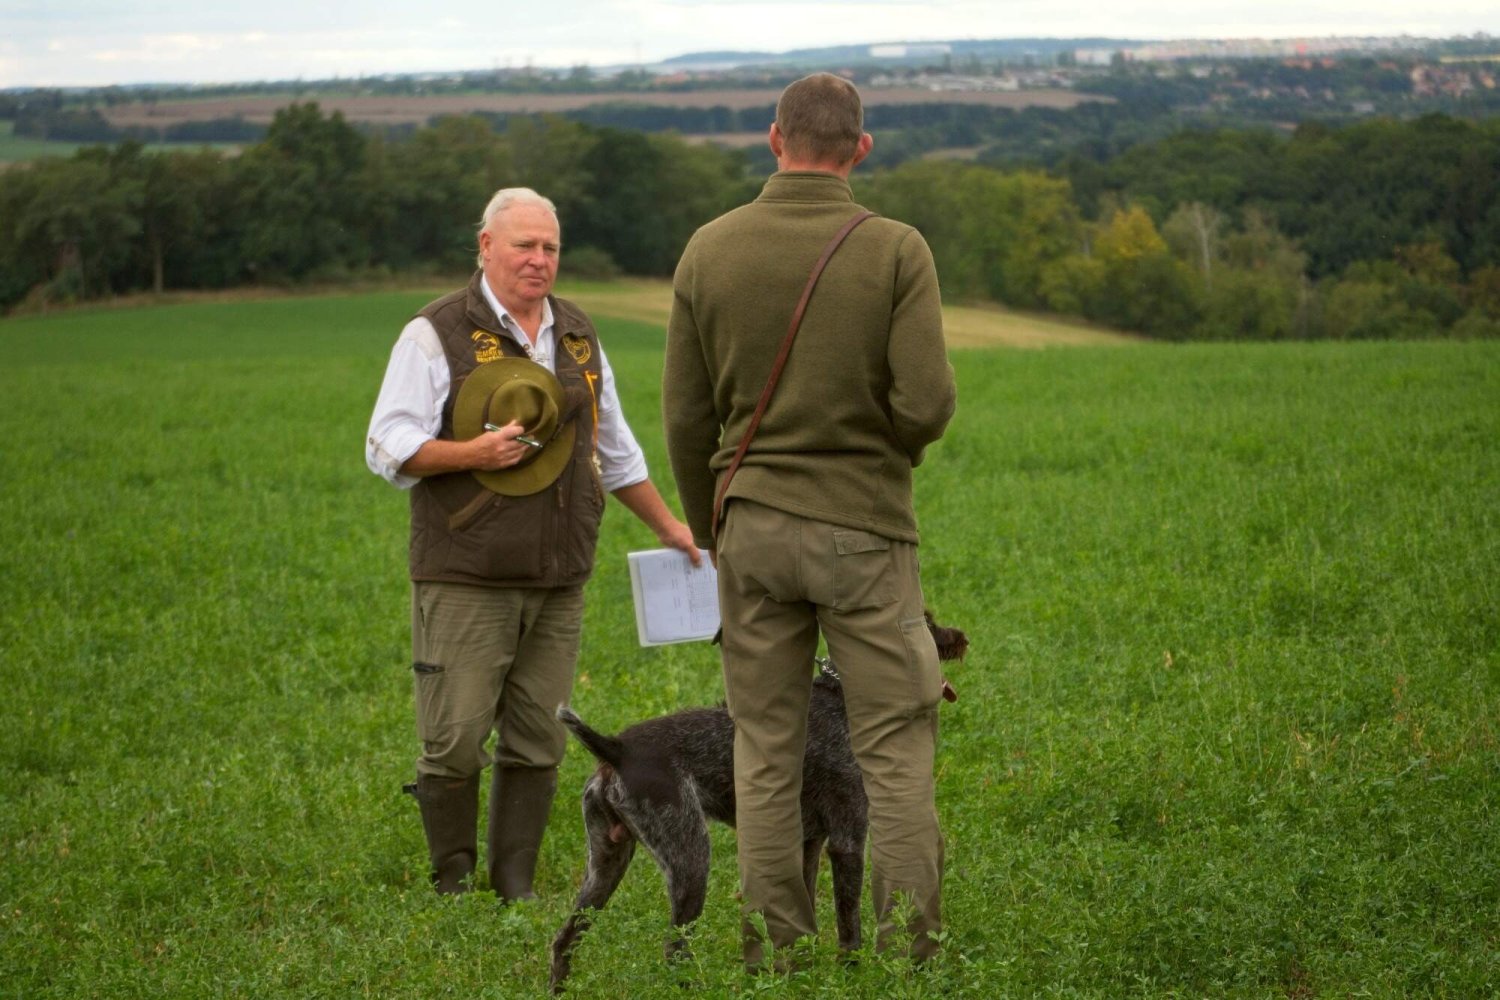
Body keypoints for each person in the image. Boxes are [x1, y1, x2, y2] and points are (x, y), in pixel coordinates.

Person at [663, 72, 958, 969]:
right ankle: (908, 962)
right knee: (894, 749)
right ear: (860, 149)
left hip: (748, 529)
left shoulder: (707, 250)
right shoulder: (897, 249)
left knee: (762, 750)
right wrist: (882, 457)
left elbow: (686, 419)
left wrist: (712, 527)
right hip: (863, 530)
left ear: (774, 138)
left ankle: (777, 960)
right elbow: (928, 404)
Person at [366, 187, 698, 899]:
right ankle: (452, 886)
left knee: (539, 737)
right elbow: (386, 444)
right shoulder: (436, 331)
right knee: (455, 737)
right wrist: (471, 454)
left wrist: (669, 527)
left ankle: (513, 884)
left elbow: (615, 447)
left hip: (559, 576)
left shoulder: (576, 332)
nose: (538, 259)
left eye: (550, 247)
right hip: (466, 572)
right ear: (486, 246)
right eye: (524, 245)